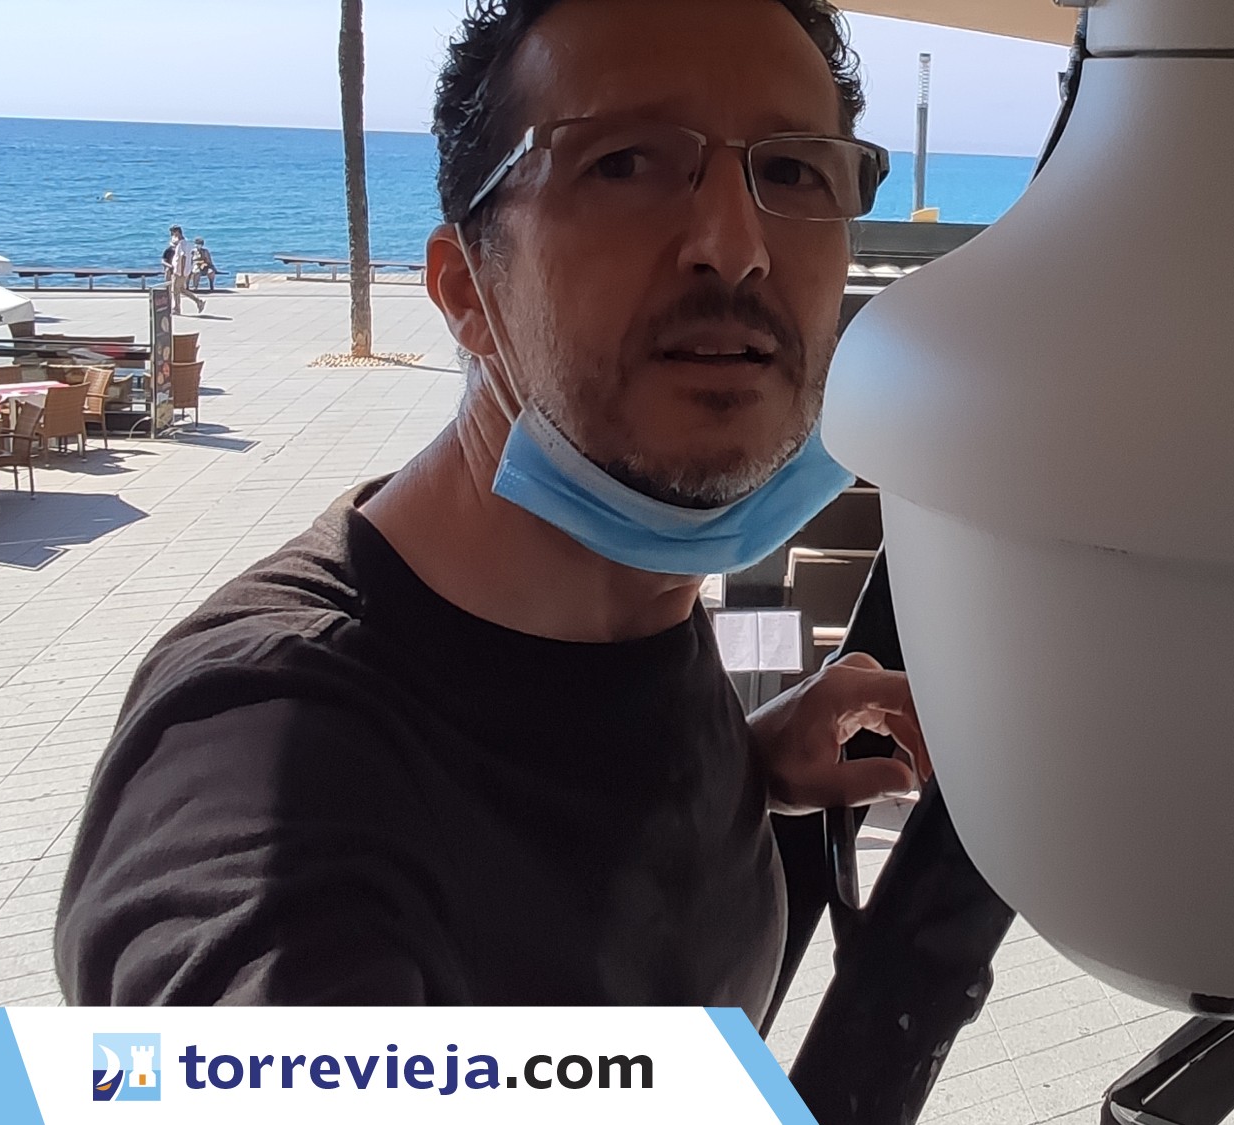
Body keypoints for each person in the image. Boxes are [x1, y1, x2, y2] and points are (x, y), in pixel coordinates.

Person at [56, 0, 917, 1018]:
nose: (736, 246)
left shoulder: (625, 613)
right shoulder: (264, 743)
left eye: (794, 171)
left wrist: (738, 773)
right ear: (466, 289)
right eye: (624, 163)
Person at [162, 225, 205, 314]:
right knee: (181, 289)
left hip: (179, 271)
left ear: (177, 232)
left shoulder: (181, 244)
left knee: (175, 290)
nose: (172, 235)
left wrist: (180, 271)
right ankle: (198, 301)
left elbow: (183, 258)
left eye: (173, 233)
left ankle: (177, 308)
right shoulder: (186, 243)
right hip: (184, 271)